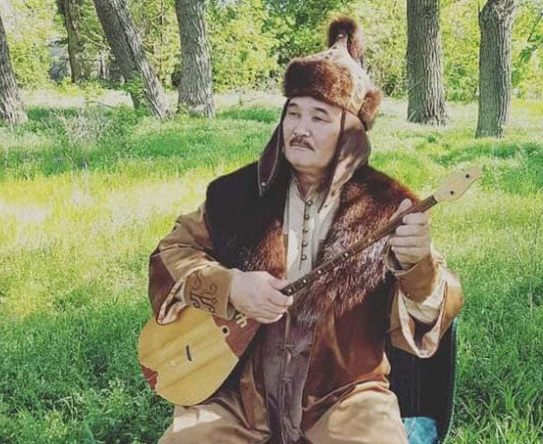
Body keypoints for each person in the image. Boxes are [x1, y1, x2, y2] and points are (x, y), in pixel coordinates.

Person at [148, 16, 464, 444]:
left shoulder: (387, 208)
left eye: (319, 117)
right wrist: (231, 286)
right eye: (293, 113)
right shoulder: (235, 195)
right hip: (238, 391)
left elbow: (438, 306)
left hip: (346, 395)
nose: (300, 129)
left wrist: (417, 264)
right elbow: (171, 253)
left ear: (350, 134)